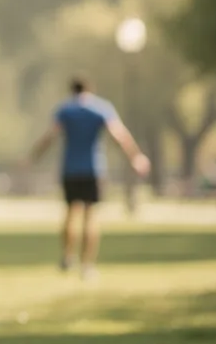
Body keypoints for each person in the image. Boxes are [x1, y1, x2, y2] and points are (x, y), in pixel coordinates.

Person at [26, 77, 150, 282]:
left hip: (70, 169)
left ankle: (67, 256)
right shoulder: (101, 108)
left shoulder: (65, 110)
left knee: (70, 212)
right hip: (93, 169)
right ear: (90, 90)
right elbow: (118, 134)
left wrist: (33, 156)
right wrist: (135, 156)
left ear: (71, 90)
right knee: (90, 216)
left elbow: (50, 136)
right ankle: (87, 265)